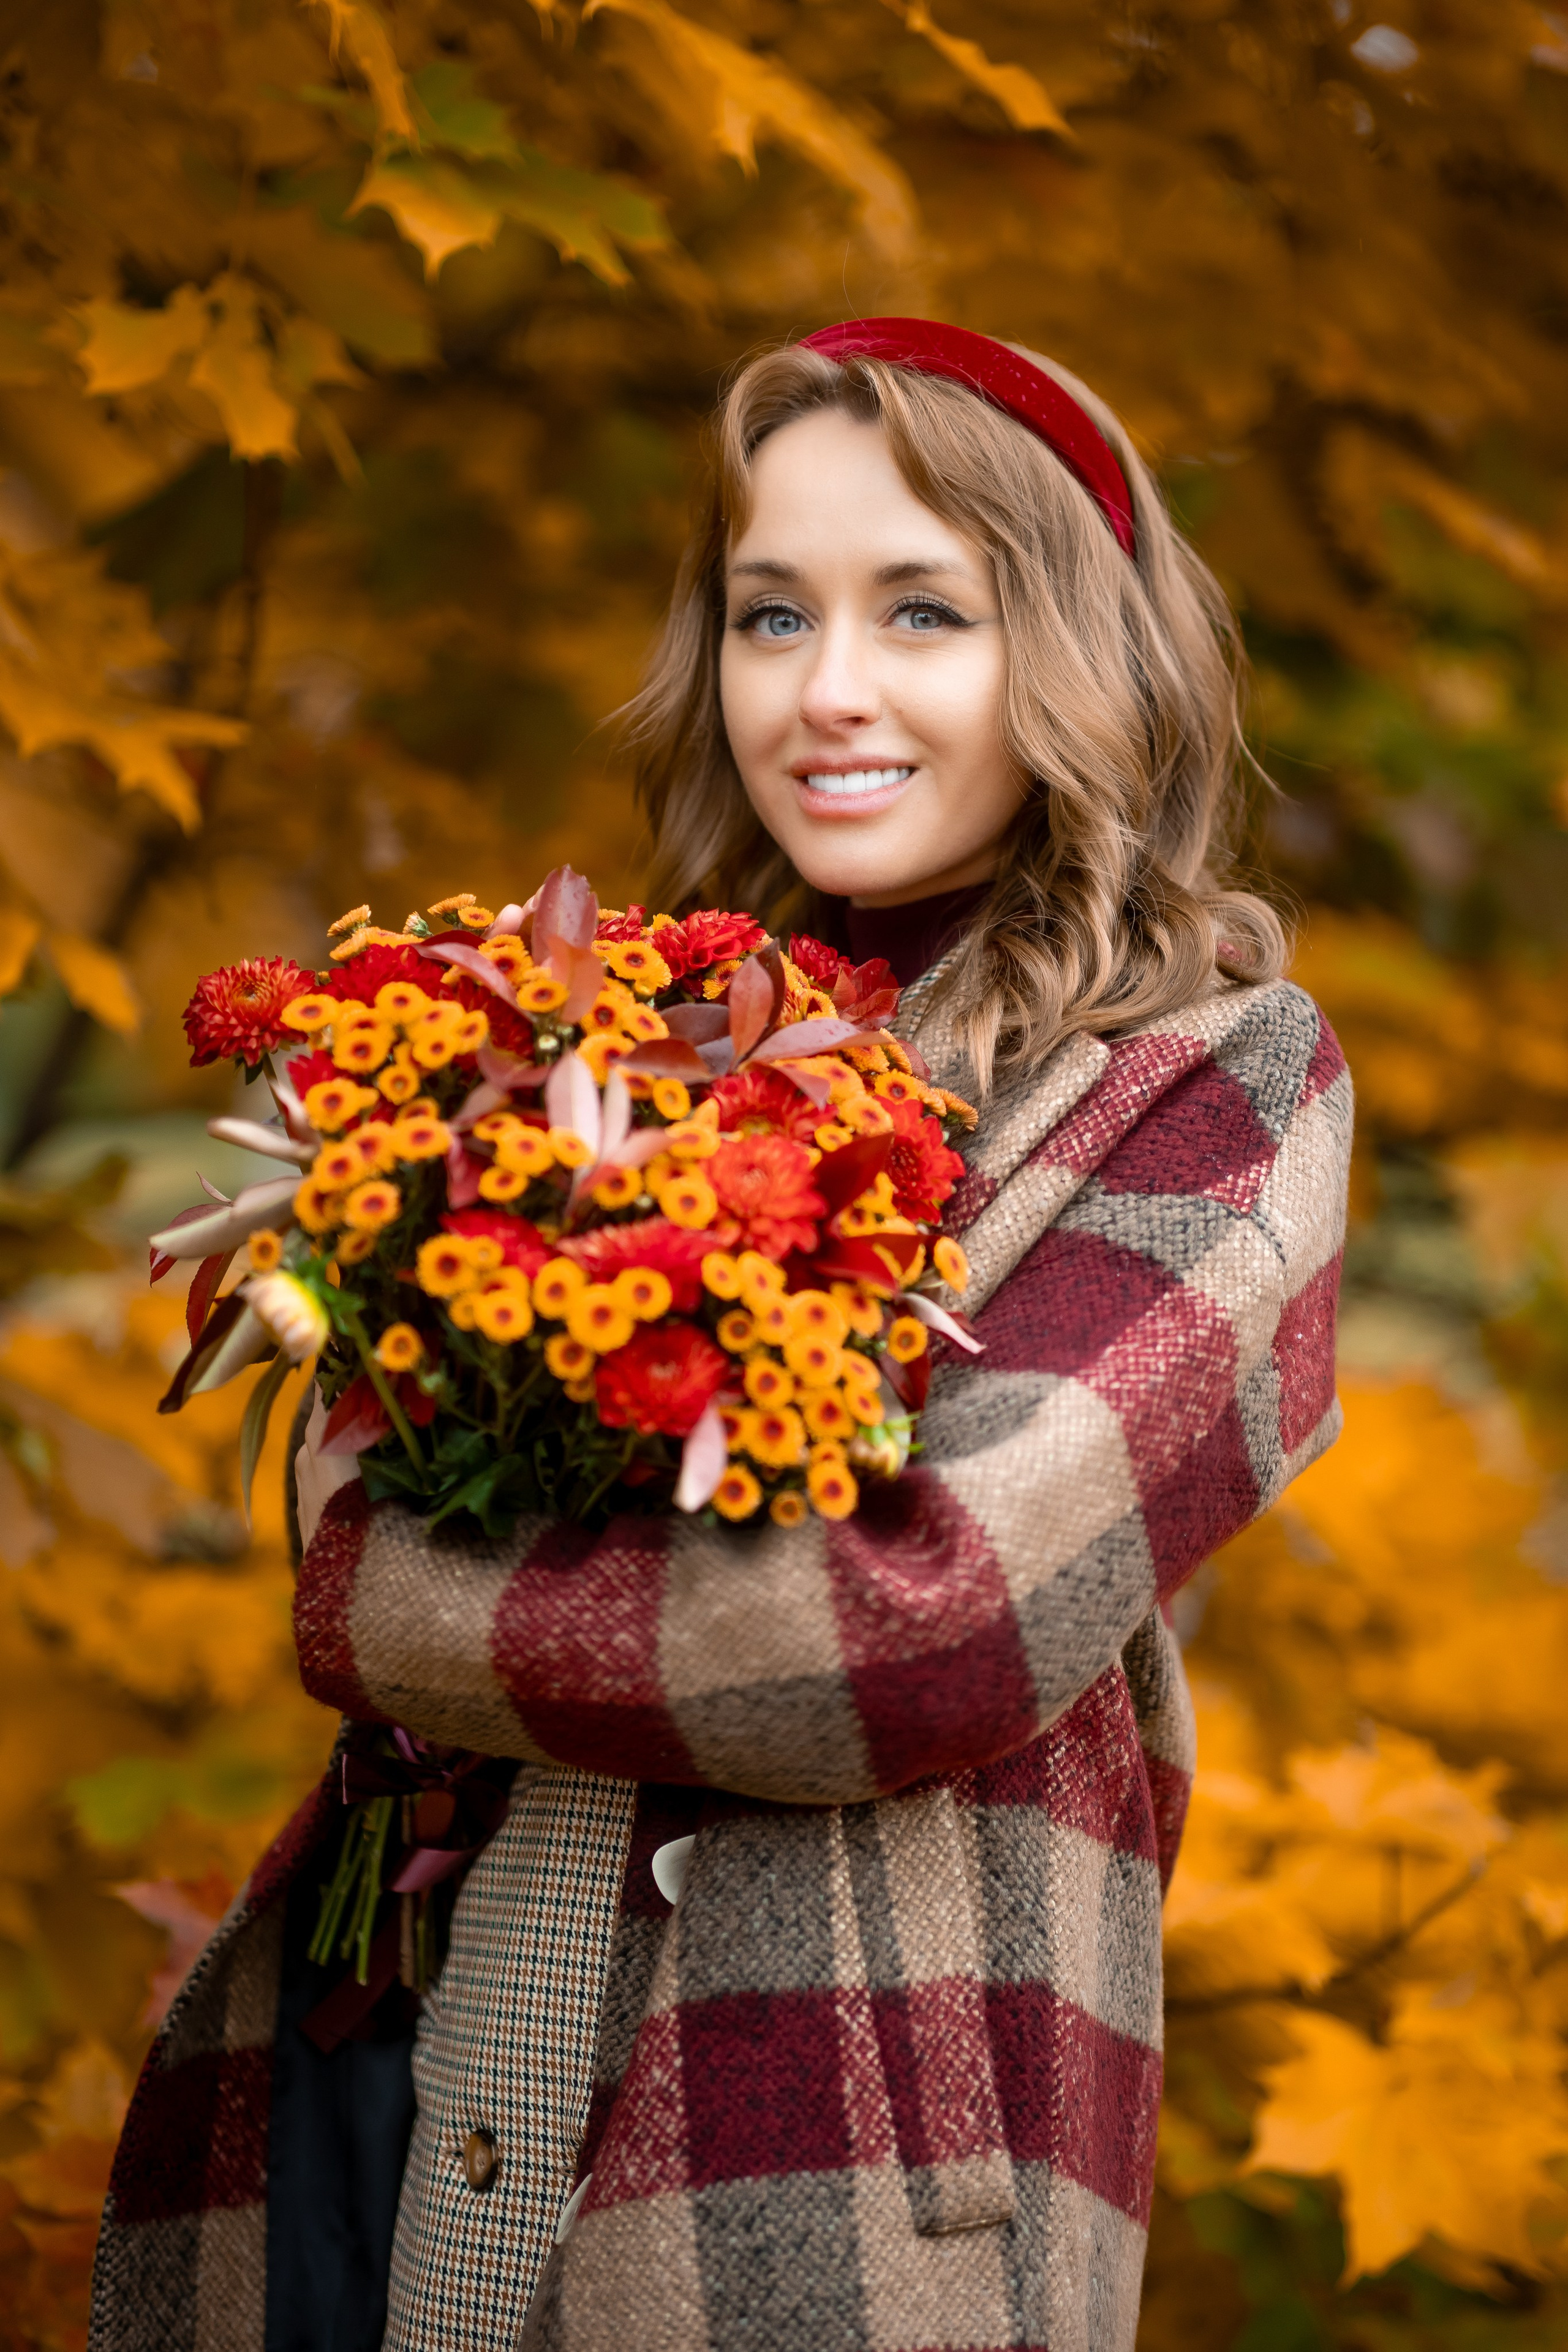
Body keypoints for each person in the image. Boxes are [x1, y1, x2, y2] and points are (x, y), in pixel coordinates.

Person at [89, 320, 1352, 2352]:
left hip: (832, 2163)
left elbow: (916, 1630)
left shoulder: (1207, 1081)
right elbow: (347, 1408)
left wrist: (385, 1591)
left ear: (1082, 654)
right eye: (775, 614)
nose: (827, 691)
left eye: (922, 610)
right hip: (403, 2074)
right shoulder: (600, 1035)